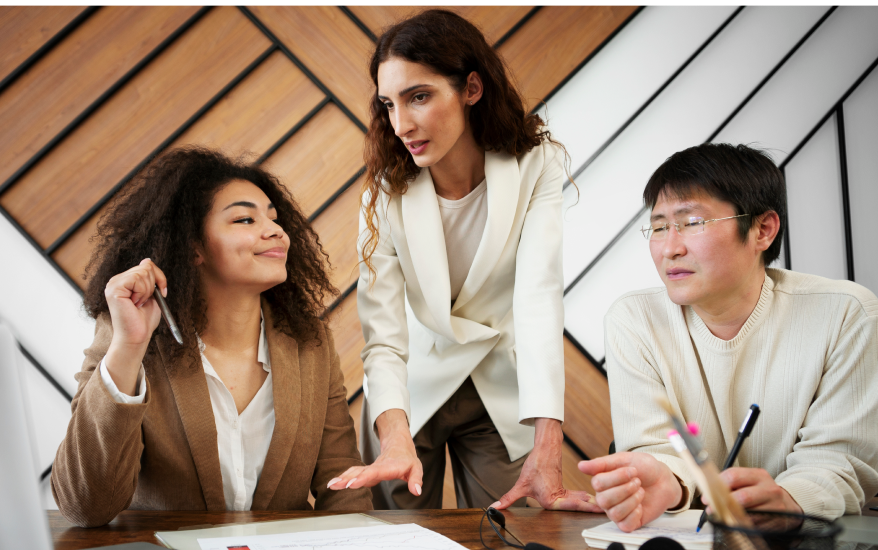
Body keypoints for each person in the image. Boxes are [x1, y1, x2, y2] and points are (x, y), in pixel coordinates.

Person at [327, 10, 600, 513]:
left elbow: (539, 299)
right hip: (407, 395)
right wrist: (393, 438)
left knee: (511, 534)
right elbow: (383, 340)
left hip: (498, 384)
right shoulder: (382, 197)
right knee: (398, 541)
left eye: (420, 96)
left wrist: (547, 443)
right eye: (389, 104)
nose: (401, 123)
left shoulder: (536, 165)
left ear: (471, 88)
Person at [52, 147, 372, 527]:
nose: (275, 230)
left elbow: (344, 484)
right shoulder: (131, 335)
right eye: (243, 219)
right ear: (193, 247)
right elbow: (84, 506)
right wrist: (130, 347)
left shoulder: (310, 341)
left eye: (274, 217)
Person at [579, 143, 878, 531]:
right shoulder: (635, 320)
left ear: (762, 230)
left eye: (692, 222)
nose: (670, 247)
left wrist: (790, 500)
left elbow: (840, 461)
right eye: (658, 228)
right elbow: (656, 450)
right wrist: (665, 481)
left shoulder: (844, 313)